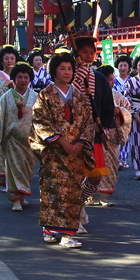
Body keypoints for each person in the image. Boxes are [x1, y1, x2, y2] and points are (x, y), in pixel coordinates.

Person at [30, 51, 96, 249]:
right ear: (54, 71)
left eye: (70, 68)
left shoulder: (79, 96)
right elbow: (40, 121)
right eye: (62, 68)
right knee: (52, 190)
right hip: (54, 152)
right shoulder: (45, 95)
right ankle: (49, 229)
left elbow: (88, 123)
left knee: (72, 192)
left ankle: (67, 234)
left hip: (75, 153)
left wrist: (79, 143)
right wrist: (60, 141)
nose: (67, 72)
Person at [0, 62, 38, 212]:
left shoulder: (36, 97)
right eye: (19, 77)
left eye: (26, 77)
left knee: (27, 170)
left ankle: (22, 197)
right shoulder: (6, 97)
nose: (23, 80)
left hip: (30, 139)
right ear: (14, 79)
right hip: (12, 139)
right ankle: (15, 200)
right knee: (13, 169)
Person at [89, 65, 132, 207]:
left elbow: (128, 110)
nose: (111, 84)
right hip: (94, 135)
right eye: (108, 81)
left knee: (110, 166)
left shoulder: (118, 95)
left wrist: (119, 111)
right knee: (91, 164)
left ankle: (103, 196)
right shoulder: (90, 94)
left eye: (112, 81)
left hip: (112, 136)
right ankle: (88, 194)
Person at [0, 45, 22, 190]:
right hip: (2, 117)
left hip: (18, 118)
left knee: (17, 150)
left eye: (12, 58)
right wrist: (3, 104)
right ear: (1, 60)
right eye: (6, 58)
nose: (9, 61)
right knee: (1, 149)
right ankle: (3, 180)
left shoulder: (21, 77)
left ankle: (17, 181)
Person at [113, 54, 132, 168]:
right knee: (116, 134)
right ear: (117, 67)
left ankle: (123, 159)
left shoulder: (132, 80)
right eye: (121, 65)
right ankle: (116, 158)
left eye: (125, 65)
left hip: (128, 111)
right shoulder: (114, 80)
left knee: (126, 135)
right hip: (116, 110)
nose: (123, 68)